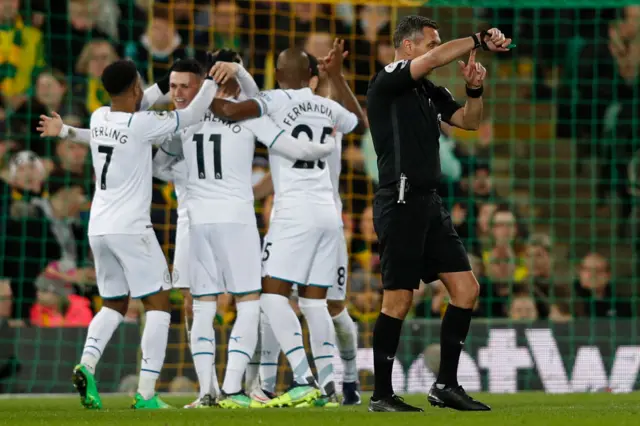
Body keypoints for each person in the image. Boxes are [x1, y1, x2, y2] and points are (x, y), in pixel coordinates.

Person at [154, 51, 338, 409]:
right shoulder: (249, 117)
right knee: (249, 302)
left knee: (203, 307)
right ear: (234, 79)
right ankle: (233, 387)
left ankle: (206, 391)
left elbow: (160, 165)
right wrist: (327, 144)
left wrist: (184, 177)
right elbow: (292, 145)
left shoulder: (188, 117)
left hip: (199, 223)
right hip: (236, 219)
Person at [366, 15, 511, 412]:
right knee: (398, 300)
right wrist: (479, 39)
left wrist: (475, 89)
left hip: (429, 202)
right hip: (399, 200)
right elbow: (433, 61)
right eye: (431, 44)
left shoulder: (430, 92)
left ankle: (445, 385)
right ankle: (381, 394)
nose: (437, 51)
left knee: (467, 290)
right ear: (408, 47)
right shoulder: (390, 78)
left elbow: (468, 120)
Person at [211, 48, 363, 407]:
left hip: (294, 213)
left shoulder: (275, 100)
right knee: (316, 305)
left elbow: (234, 109)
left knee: (270, 295)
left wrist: (206, 99)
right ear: (311, 74)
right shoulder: (328, 108)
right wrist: (337, 78)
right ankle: (327, 387)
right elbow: (358, 120)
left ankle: (302, 377)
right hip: (329, 213)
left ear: (277, 74)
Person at [66, 59, 218, 410]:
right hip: (131, 229)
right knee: (160, 304)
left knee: (114, 303)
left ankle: (87, 364)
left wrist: (65, 132)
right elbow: (192, 115)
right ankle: (146, 393)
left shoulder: (98, 117)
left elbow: (144, 97)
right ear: (135, 87)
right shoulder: (143, 124)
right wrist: (209, 81)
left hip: (99, 228)